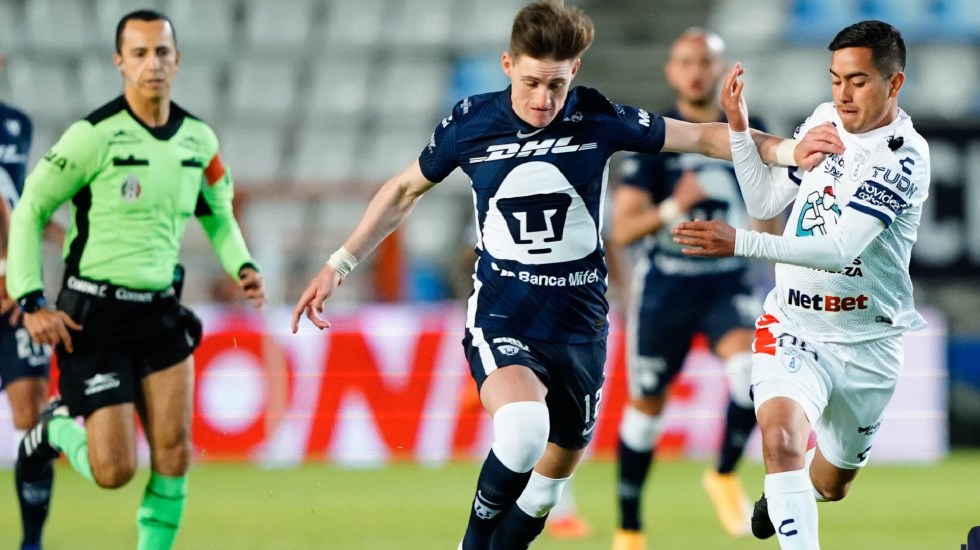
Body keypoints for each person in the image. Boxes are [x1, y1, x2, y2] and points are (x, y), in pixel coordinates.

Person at [290, 2, 840, 549]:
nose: (542, 99)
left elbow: (704, 137)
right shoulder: (471, 123)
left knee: (545, 493)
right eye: (530, 82)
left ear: (574, 71)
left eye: (555, 85)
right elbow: (403, 190)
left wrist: (790, 150)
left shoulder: (596, 117)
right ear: (507, 65)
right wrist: (340, 264)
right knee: (522, 432)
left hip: (580, 325)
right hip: (504, 314)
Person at [7, 10, 265, 550]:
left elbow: (217, 213)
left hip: (160, 311)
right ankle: (53, 428)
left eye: (162, 52)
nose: (153, 64)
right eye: (140, 53)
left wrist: (242, 265)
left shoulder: (198, 140)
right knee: (113, 471)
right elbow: (30, 208)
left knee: (174, 455)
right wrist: (29, 297)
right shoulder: (92, 136)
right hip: (94, 316)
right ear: (119, 62)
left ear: (178, 60)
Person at [673, 20, 928, 550]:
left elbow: (838, 250)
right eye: (835, 79)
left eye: (857, 81)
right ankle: (788, 498)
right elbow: (766, 202)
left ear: (894, 83)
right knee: (781, 440)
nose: (842, 94)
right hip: (794, 323)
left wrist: (740, 243)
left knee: (832, 484)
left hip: (868, 341)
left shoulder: (904, 155)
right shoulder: (824, 121)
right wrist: (739, 129)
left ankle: (784, 498)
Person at [609, 28, 779, 548]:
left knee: (750, 375)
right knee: (646, 410)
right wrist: (673, 207)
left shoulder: (751, 130)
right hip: (667, 286)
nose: (696, 71)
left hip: (727, 283)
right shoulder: (654, 136)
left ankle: (722, 473)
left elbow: (768, 213)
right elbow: (622, 230)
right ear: (671, 71)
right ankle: (629, 529)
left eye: (705, 61)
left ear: (722, 69)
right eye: (685, 61)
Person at [0, 44, 67, 550]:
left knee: (31, 415)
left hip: (16, 293)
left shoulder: (16, 124)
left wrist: (75, 240)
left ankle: (31, 542)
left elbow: (19, 204)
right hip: (11, 278)